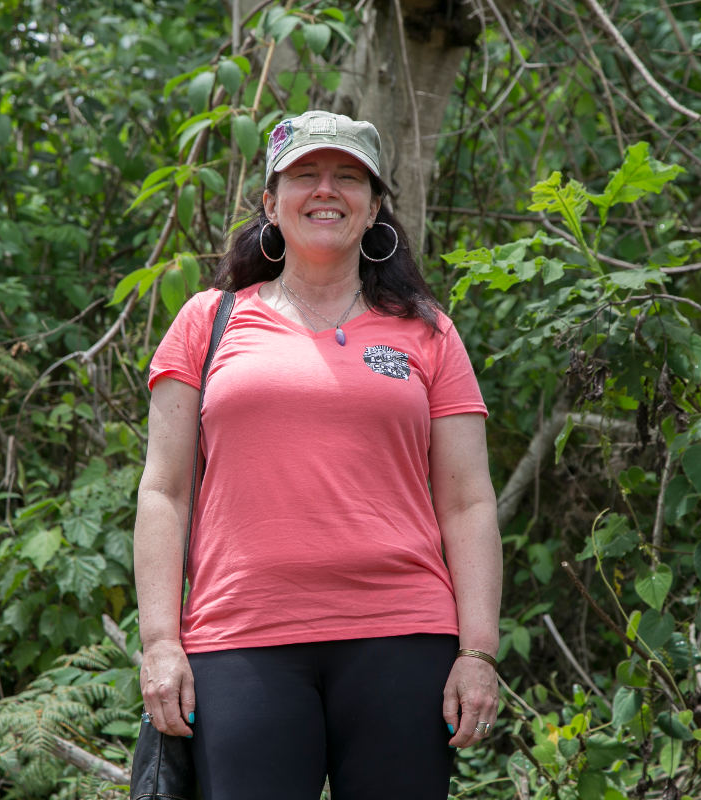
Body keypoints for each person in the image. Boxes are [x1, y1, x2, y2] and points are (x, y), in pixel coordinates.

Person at [133, 109, 502, 800]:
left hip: (403, 633)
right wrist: (160, 642)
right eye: (305, 175)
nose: (326, 190)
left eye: (348, 177)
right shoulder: (208, 321)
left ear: (373, 208)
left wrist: (478, 652)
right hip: (240, 635)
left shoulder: (429, 333)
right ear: (271, 203)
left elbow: (468, 499)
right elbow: (164, 491)